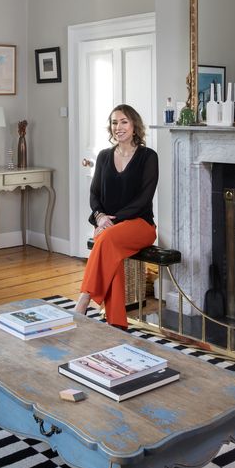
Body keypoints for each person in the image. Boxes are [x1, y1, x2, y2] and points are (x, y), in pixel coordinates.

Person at [73, 104, 159, 329]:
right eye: (114, 122)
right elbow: (94, 193)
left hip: (139, 225)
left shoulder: (148, 157)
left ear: (134, 126)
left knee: (106, 239)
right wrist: (100, 218)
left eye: (123, 122)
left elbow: (144, 198)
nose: (118, 127)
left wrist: (113, 222)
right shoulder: (103, 156)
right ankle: (117, 325)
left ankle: (84, 299)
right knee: (111, 255)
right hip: (107, 225)